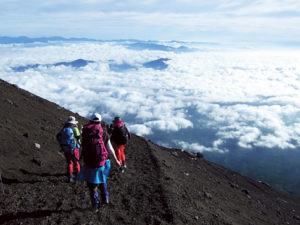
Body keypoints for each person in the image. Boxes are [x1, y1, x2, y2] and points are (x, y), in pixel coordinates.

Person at [77, 113, 120, 212]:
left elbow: (82, 146)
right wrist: (117, 160)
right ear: (100, 121)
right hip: (101, 163)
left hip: (89, 163)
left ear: (90, 121)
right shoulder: (103, 133)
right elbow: (110, 149)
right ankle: (105, 199)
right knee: (102, 180)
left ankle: (95, 206)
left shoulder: (86, 132)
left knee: (92, 186)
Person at [57, 116, 81, 182]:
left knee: (69, 162)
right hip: (74, 148)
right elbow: (78, 137)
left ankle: (70, 176)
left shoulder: (64, 128)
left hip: (66, 148)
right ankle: (78, 174)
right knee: (76, 161)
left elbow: (58, 136)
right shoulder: (75, 128)